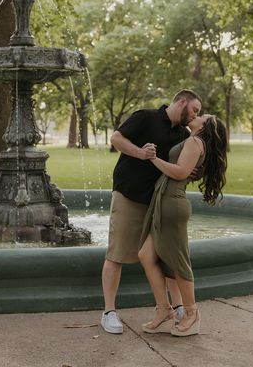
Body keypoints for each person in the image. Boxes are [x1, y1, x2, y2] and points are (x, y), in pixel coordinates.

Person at [100, 89, 203, 334]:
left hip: (159, 202)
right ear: (183, 102)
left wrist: (190, 172)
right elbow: (116, 139)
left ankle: (176, 307)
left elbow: (178, 166)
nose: (195, 115)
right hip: (129, 195)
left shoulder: (183, 134)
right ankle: (108, 312)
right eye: (195, 110)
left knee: (164, 255)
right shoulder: (146, 116)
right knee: (116, 253)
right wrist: (140, 153)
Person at [138, 114, 228, 337]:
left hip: (173, 204)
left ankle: (192, 313)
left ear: (206, 126)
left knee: (178, 262)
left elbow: (179, 172)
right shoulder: (193, 140)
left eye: (203, 115)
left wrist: (152, 158)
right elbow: (185, 169)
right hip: (165, 200)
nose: (198, 115)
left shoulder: (195, 142)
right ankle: (164, 310)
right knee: (145, 255)